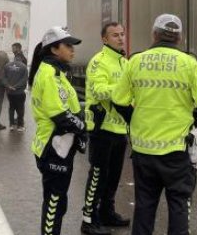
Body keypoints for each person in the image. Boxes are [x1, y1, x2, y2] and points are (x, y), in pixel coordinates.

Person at [111, 14, 197, 235]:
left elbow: (118, 100)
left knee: (144, 206)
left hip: (143, 150)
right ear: (178, 38)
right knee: (179, 205)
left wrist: (134, 120)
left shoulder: (135, 61)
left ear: (154, 34)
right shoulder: (190, 64)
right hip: (176, 151)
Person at [30, 26, 87, 235]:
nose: (73, 50)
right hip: (54, 147)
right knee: (55, 202)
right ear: (54, 49)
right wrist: (83, 129)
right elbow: (60, 116)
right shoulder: (50, 75)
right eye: (68, 45)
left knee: (57, 200)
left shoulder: (58, 73)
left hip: (59, 146)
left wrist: (80, 121)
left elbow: (71, 108)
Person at [80, 23, 129, 235]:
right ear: (104, 39)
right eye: (114, 35)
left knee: (114, 176)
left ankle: (107, 212)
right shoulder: (98, 62)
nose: (120, 38)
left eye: (122, 34)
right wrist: (122, 90)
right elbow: (99, 91)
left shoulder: (124, 62)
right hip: (102, 128)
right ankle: (88, 219)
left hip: (120, 128)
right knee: (98, 175)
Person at [3, 54, 28, 131]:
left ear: (14, 58)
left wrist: (8, 86)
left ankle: (11, 125)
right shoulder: (24, 67)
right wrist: (16, 87)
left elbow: (3, 78)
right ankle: (20, 126)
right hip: (19, 92)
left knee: (11, 108)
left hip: (10, 92)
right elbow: (24, 80)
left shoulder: (7, 66)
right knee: (20, 109)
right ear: (21, 58)